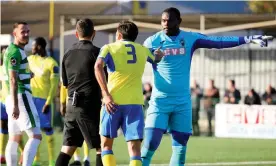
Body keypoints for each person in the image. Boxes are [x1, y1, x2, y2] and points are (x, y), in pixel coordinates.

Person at [141, 7, 273, 166]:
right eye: (163, 20)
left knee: (180, 150)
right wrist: (151, 58)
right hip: (159, 102)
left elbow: (218, 42)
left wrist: (247, 39)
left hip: (182, 103)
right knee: (149, 145)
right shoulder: (151, 42)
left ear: (179, 21)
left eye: (169, 20)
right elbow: (137, 61)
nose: (165, 23)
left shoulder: (189, 38)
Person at [94, 20, 163, 166]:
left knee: (106, 145)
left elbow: (98, 66)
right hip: (134, 103)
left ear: (118, 34)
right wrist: (160, 55)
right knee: (134, 149)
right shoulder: (143, 50)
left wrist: (105, 95)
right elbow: (156, 59)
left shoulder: (108, 48)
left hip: (112, 103)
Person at [56, 18, 103, 166]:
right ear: (94, 33)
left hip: (71, 105)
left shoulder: (67, 53)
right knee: (102, 147)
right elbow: (105, 79)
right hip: (89, 106)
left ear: (76, 34)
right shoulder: (97, 52)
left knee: (67, 148)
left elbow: (65, 83)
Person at [3, 22, 42, 166]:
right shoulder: (15, 52)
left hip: (11, 98)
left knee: (14, 138)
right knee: (36, 136)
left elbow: (13, 75)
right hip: (20, 97)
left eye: (27, 31)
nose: (26, 34)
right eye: (22, 32)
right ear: (14, 34)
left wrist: (27, 75)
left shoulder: (11, 50)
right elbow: (13, 79)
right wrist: (15, 105)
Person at [27, 37, 59, 166]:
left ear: (39, 47)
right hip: (30, 100)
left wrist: (48, 102)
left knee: (48, 129)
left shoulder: (52, 63)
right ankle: (37, 159)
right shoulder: (30, 60)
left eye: (34, 46)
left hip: (44, 101)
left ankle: (52, 160)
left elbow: (54, 85)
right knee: (34, 131)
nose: (32, 48)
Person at [60, 84, 92, 166]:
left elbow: (64, 86)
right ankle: (86, 158)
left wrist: (62, 102)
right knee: (85, 133)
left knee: (72, 134)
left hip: (71, 103)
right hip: (85, 102)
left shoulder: (65, 71)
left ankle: (78, 159)